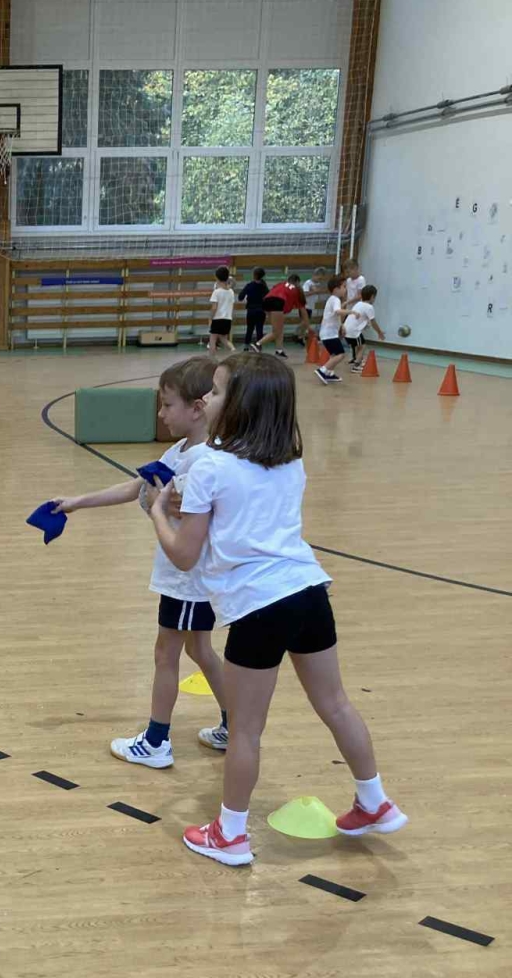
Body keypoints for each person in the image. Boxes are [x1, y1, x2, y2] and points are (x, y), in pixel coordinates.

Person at [145, 355, 406, 866]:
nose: (206, 399)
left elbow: (184, 554)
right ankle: (374, 800)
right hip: (309, 591)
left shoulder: (211, 466)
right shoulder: (290, 460)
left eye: (216, 392)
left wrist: (158, 512)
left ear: (238, 404)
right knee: (336, 704)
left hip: (258, 606)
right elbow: (242, 512)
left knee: (245, 730)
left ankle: (230, 835)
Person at [53, 357, 229, 767]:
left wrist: (160, 505)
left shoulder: (203, 462)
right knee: (199, 650)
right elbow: (139, 487)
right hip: (188, 580)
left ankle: (156, 741)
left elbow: (182, 510)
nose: (160, 414)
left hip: (188, 580)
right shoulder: (181, 451)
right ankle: (234, 721)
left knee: (166, 653)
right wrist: (78, 502)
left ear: (197, 408)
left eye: (167, 405)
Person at [252, 273, 308, 358]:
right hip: (277, 302)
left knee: (279, 328)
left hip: (266, 301)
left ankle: (279, 350)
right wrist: (307, 325)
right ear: (297, 282)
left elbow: (272, 292)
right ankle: (258, 344)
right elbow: (303, 310)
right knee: (276, 331)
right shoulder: (296, 290)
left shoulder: (281, 284)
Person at [314, 274, 349, 385]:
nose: (345, 289)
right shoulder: (335, 299)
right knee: (340, 354)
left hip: (327, 334)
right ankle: (323, 370)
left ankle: (329, 373)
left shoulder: (332, 299)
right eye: (344, 286)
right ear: (336, 289)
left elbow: (335, 316)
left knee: (334, 355)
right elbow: (338, 311)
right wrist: (352, 312)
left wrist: (341, 326)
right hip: (329, 334)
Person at [345, 286, 385, 370]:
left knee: (356, 345)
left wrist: (365, 325)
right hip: (354, 332)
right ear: (372, 297)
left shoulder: (358, 304)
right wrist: (379, 332)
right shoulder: (369, 307)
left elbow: (359, 319)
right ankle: (356, 366)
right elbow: (373, 322)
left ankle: (355, 359)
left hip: (346, 330)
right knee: (362, 346)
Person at [238, 268, 269, 350]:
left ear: (254, 275)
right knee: (260, 329)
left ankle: (246, 347)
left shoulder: (249, 285)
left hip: (251, 310)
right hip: (261, 310)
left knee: (249, 329)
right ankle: (259, 346)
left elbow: (240, 297)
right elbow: (268, 298)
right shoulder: (264, 287)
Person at [207, 266, 235, 354]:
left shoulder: (216, 292)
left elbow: (214, 308)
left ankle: (212, 359)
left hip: (217, 319)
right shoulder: (231, 292)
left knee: (212, 339)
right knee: (224, 339)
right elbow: (232, 306)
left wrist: (210, 318)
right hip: (227, 319)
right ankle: (233, 350)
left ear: (216, 278)